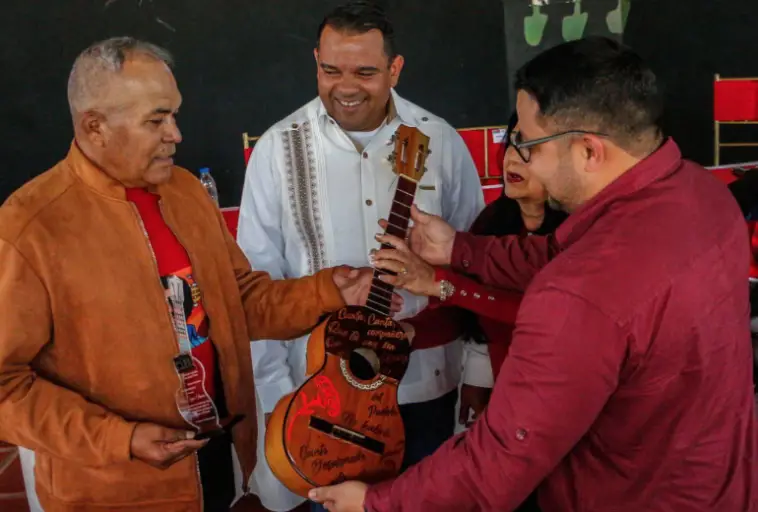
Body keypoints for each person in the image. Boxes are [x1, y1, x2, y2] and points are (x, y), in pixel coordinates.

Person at [309, 36, 758, 511]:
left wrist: (377, 504)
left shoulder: (577, 297)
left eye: (530, 142)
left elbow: (497, 465)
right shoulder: (704, 196)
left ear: (589, 151)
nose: (520, 154)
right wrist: (460, 249)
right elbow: (558, 254)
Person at [0, 37, 395, 512]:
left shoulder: (185, 192)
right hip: (111, 490)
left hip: (217, 463)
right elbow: (6, 385)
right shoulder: (28, 227)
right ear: (95, 127)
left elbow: (238, 303)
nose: (176, 134)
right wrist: (118, 439)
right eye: (156, 120)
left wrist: (328, 291)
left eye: (174, 115)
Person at [235, 2, 484, 510]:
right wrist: (281, 399)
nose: (345, 87)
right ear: (315, 62)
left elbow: (475, 259)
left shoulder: (440, 141)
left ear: (395, 69)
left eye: (365, 72)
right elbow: (257, 290)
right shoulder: (277, 150)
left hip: (424, 389)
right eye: (331, 70)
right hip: (315, 401)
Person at [399, 111, 566, 427]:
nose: (513, 159)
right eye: (513, 142)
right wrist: (406, 333)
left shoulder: (579, 233)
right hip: (505, 411)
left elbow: (536, 315)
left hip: (561, 411)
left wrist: (441, 283)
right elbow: (458, 314)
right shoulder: (491, 222)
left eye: (531, 146)